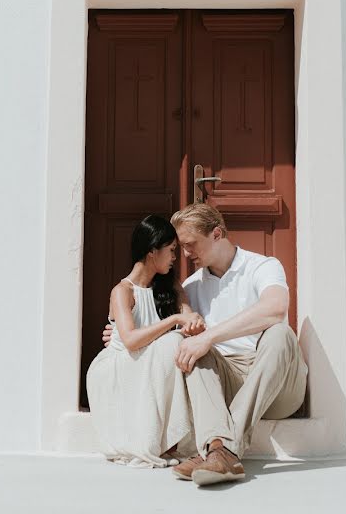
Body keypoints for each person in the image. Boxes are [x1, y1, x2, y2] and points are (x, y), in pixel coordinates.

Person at [103, 204, 308, 485]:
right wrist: (117, 334)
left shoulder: (262, 266)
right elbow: (162, 337)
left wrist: (209, 336)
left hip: (276, 383)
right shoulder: (191, 286)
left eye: (190, 245)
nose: (185, 254)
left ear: (217, 233)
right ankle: (220, 452)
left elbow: (275, 308)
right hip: (227, 385)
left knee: (280, 334)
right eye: (180, 247)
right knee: (189, 347)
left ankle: (221, 447)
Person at [86, 214, 206, 468]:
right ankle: (158, 441)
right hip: (119, 367)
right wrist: (174, 319)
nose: (176, 257)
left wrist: (191, 320)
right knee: (173, 341)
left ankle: (178, 440)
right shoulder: (122, 292)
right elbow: (130, 340)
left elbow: (189, 317)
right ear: (153, 251)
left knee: (180, 344)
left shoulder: (169, 287)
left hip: (150, 363)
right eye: (171, 250)